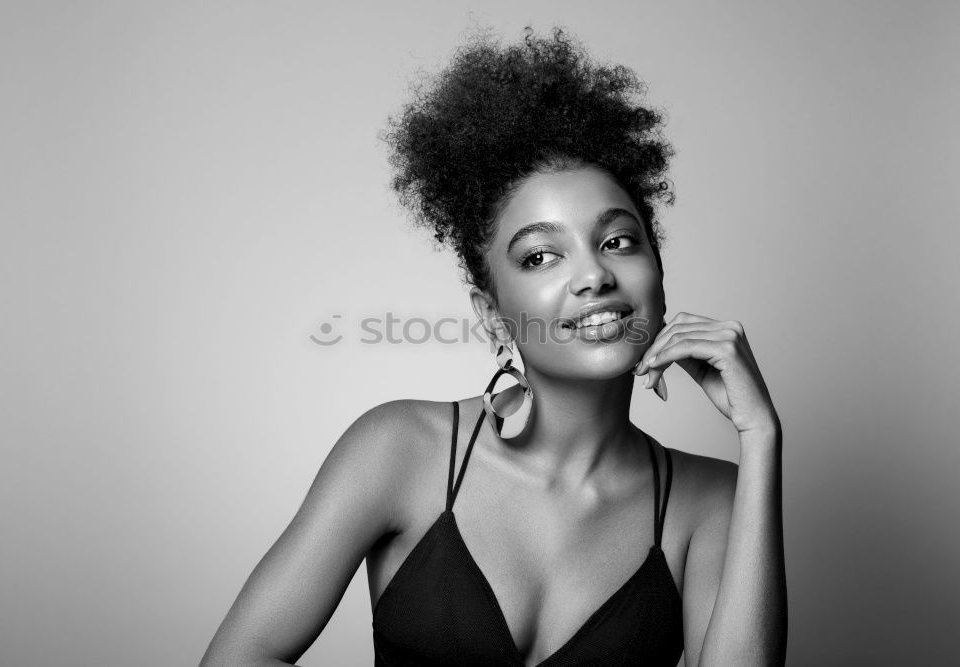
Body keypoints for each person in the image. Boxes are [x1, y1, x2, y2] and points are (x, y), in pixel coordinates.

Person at [202, 26, 786, 667]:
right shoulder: (401, 449)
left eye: (619, 240)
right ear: (493, 317)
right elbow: (240, 656)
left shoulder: (710, 502)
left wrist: (760, 438)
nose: (594, 275)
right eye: (541, 255)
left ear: (657, 272)